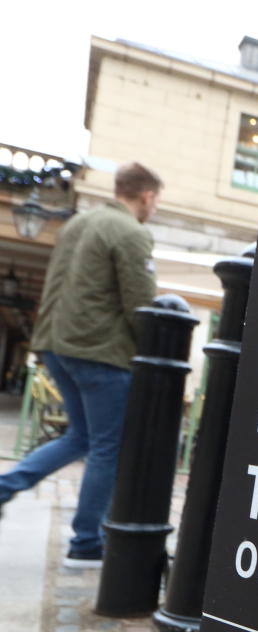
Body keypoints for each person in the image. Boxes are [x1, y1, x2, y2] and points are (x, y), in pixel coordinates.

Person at [0, 163, 162, 567]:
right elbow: (141, 306)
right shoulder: (132, 233)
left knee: (80, 437)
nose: (154, 209)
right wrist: (154, 357)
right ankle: (86, 542)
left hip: (56, 345)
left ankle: (4, 487)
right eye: (155, 201)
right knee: (108, 446)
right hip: (100, 352)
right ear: (146, 196)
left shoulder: (76, 224)